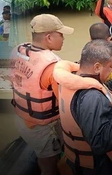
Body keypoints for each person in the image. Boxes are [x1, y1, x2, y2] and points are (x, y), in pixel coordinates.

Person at [52, 39, 112, 175]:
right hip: (101, 167)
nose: (111, 71)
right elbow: (100, 142)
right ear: (97, 67)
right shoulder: (91, 98)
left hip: (79, 159)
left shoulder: (74, 79)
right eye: (110, 66)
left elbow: (105, 90)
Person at [9, 14, 74, 175]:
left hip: (22, 118)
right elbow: (66, 104)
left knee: (43, 158)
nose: (64, 38)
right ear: (49, 37)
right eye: (61, 34)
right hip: (42, 127)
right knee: (49, 166)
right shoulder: (52, 66)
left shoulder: (18, 50)